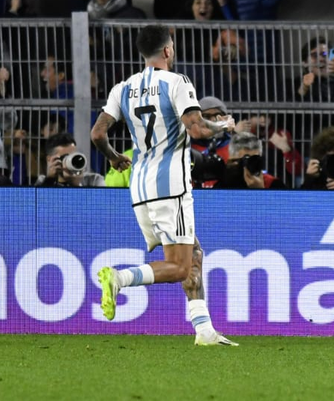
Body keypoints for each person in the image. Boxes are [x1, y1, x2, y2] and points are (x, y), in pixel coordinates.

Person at [91, 24, 238, 346]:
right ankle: (119, 278)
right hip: (171, 186)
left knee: (194, 251)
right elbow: (197, 129)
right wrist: (224, 125)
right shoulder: (177, 82)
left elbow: (98, 133)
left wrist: (115, 158)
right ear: (168, 51)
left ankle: (204, 330)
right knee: (180, 268)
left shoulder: (123, 88)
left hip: (140, 187)